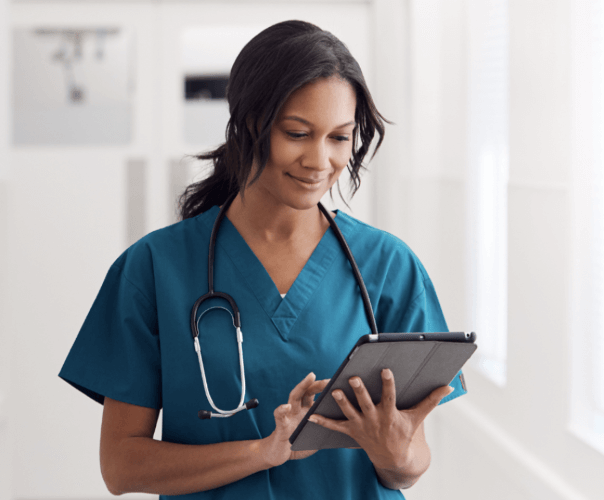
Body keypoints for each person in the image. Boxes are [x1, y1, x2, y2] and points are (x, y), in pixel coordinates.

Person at [58, 20, 466, 499]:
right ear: (248, 124)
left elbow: (409, 466)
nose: (319, 161)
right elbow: (121, 467)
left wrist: (395, 453)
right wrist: (263, 451)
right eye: (297, 133)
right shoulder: (152, 269)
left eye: (339, 138)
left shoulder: (388, 267)